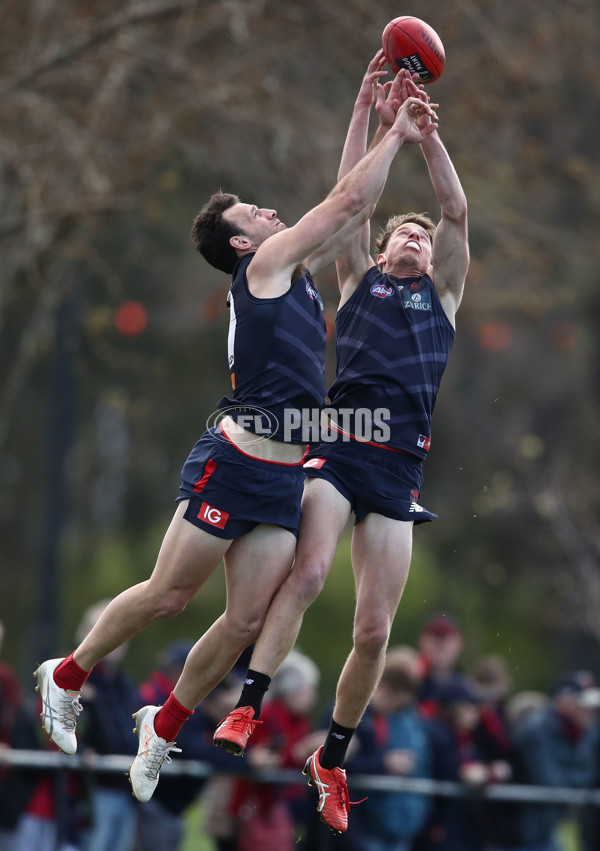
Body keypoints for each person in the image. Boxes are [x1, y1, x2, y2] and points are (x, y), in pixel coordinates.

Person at [33, 61, 438, 807]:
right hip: (234, 459)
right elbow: (349, 199)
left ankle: (166, 723)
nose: (267, 211)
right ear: (243, 244)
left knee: (248, 618)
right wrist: (397, 131)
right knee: (167, 597)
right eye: (252, 211)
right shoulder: (266, 270)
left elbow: (354, 208)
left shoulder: (297, 268)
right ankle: (67, 674)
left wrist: (365, 112)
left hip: (283, 478)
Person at [213, 49, 469, 834]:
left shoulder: (447, 295)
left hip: (400, 469)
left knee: (373, 631)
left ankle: (333, 754)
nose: (420, 239)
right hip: (342, 443)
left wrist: (426, 136)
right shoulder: (359, 277)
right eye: (409, 234)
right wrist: (372, 117)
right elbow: (350, 198)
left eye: (424, 239)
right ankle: (250, 705)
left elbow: (456, 213)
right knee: (309, 571)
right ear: (386, 245)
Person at [511, 671, 600, 851]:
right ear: (563, 703)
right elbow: (551, 782)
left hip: (548, 827)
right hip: (519, 831)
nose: (590, 712)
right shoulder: (536, 729)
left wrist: (572, 783)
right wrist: (576, 785)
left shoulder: (584, 731)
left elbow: (589, 774)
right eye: (584, 705)